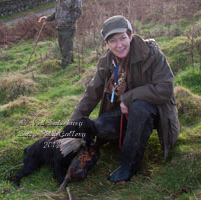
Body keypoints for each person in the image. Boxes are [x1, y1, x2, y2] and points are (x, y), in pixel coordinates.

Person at [69, 15, 180, 183]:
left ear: (130, 35)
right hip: (123, 112)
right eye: (112, 41)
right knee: (98, 126)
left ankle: (129, 165)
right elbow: (91, 94)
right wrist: (71, 126)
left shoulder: (152, 54)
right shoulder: (106, 62)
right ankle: (130, 137)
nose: (119, 45)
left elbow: (165, 89)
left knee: (139, 108)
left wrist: (128, 98)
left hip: (155, 112)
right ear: (106, 43)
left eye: (122, 38)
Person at [39, 0, 82, 69]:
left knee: (66, 49)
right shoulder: (59, 1)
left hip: (68, 28)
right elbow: (57, 12)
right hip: (60, 28)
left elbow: (78, 13)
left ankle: (65, 68)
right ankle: (70, 65)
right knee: (63, 49)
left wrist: (65, 21)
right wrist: (47, 18)